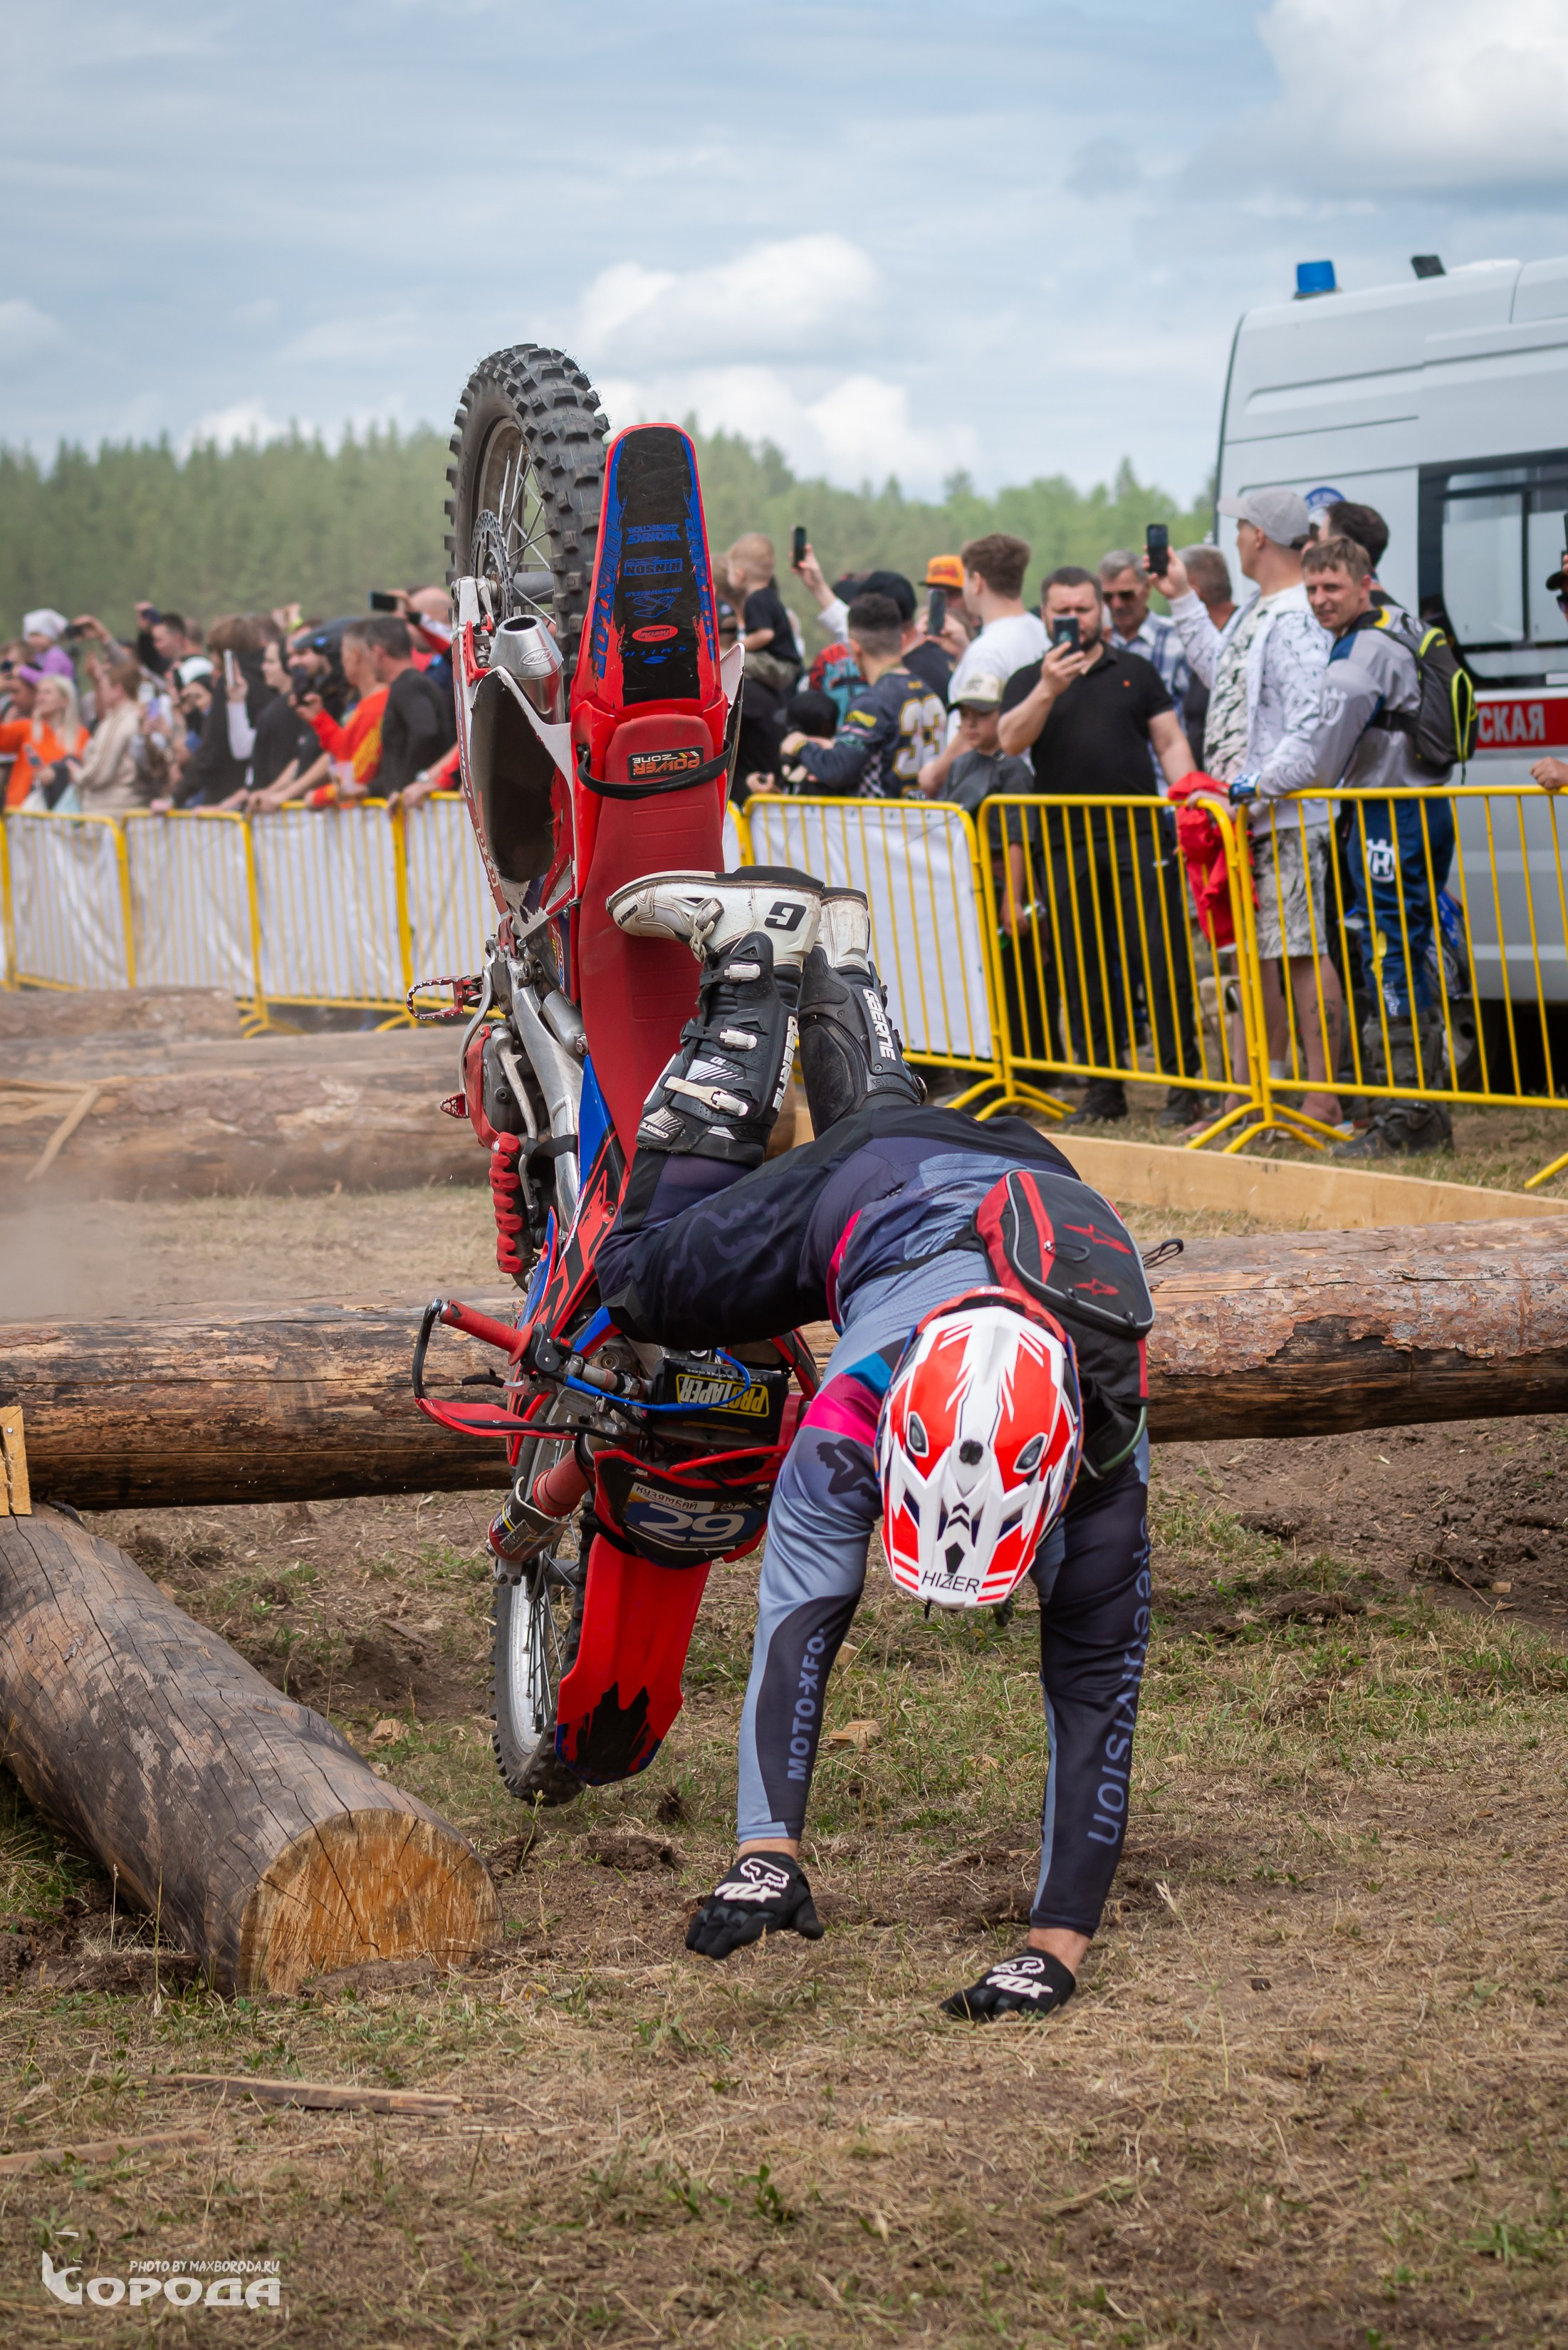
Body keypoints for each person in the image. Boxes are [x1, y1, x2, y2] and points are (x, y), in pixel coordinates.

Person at [593, 866, 1155, 2022]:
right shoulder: (853, 1412)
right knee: (638, 1277)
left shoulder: (1106, 1466)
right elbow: (801, 1624)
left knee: (892, 1122)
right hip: (873, 1189)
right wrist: (765, 1847)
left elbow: (1097, 1695)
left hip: (1013, 1170)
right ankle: (751, 971)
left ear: (1058, 1481)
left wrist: (1052, 1950)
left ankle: (843, 964)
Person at [1159, 489, 1342, 1129]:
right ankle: (1249, 1094)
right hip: (1251, 816)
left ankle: (1322, 1098)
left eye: (1240, 527)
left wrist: (1248, 788)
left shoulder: (1295, 617)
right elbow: (1223, 672)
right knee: (1258, 957)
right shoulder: (1259, 612)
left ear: (1259, 535)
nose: (1235, 539)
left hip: (1280, 815)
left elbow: (1308, 725)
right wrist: (1181, 597)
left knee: (1298, 954)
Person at [997, 567, 1205, 1128]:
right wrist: (1049, 687)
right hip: (1064, 845)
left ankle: (1183, 1088)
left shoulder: (1134, 670)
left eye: (1085, 609)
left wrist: (1188, 798)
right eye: (1063, 610)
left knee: (1162, 961)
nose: (1075, 619)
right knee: (1083, 967)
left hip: (1139, 836)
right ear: (1045, 614)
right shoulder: (1026, 679)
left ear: (1101, 613)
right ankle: (1104, 1089)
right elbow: (1011, 741)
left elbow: (1170, 740)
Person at [1299, 533, 1455, 1157]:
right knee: (1407, 949)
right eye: (1311, 589)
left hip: (1388, 815)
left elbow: (1319, 758)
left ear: (1366, 583)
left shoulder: (1363, 649)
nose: (1319, 600)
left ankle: (1407, 1116)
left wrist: (1258, 783)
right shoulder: (1402, 625)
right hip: (1419, 808)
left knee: (1390, 952)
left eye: (1331, 587)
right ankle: (1423, 1110)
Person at [919, 672, 1051, 1060]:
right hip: (968, 885)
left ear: (1001, 715)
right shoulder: (961, 766)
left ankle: (1032, 1069)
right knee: (981, 981)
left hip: (1001, 882)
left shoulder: (1013, 769)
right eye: (965, 715)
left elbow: (1017, 838)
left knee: (1015, 981)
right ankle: (990, 1063)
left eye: (982, 714)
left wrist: (1014, 897)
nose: (971, 724)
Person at [779, 594, 946, 800]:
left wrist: (799, 745)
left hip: (883, 824)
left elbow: (838, 770)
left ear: (854, 647)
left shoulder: (872, 703)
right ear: (902, 641)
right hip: (926, 820)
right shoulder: (928, 693)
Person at [946, 535, 1048, 715]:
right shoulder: (1043, 631)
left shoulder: (986, 652)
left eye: (965, 579)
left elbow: (973, 733)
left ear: (977, 582)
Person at [359, 615, 456, 795]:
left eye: (368, 655)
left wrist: (404, 785)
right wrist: (369, 789)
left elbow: (426, 732)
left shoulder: (410, 686)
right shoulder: (408, 685)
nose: (369, 664)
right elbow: (398, 757)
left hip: (421, 805)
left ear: (378, 652)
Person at [1173, 547, 1235, 772]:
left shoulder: (1243, 637)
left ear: (1194, 594)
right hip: (1207, 792)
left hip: (1236, 795)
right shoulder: (1196, 642)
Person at [68, 661, 150, 813]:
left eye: (104, 687)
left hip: (111, 808)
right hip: (129, 806)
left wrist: (77, 775)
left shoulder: (119, 722)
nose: (101, 693)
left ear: (118, 690)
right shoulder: (137, 716)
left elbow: (100, 772)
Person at [20, 611, 75, 678]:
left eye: (38, 635)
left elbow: (48, 680)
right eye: (31, 636)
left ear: (50, 636)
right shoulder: (39, 655)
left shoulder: (55, 655)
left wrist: (22, 670)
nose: (34, 640)